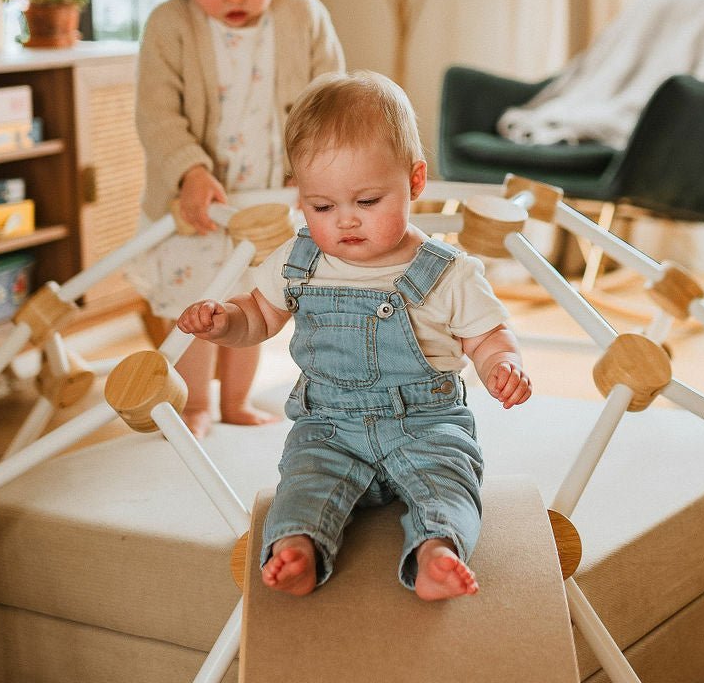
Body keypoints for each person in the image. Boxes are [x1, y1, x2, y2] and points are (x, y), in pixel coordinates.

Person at [177, 71, 531, 601]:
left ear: (413, 182)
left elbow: (488, 336)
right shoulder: (299, 259)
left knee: (451, 485)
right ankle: (297, 547)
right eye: (322, 207)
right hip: (328, 426)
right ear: (303, 198)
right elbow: (259, 316)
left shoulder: (446, 270)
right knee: (302, 485)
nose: (345, 222)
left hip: (426, 424)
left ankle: (438, 552)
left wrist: (502, 365)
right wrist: (226, 322)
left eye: (367, 202)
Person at [131, 0, 345, 437]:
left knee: (253, 303)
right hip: (199, 208)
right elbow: (157, 116)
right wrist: (191, 172)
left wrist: (317, 173)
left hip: (270, 202)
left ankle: (235, 401)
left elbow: (329, 100)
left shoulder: (303, 15)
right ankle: (196, 401)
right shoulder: (168, 26)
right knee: (201, 305)